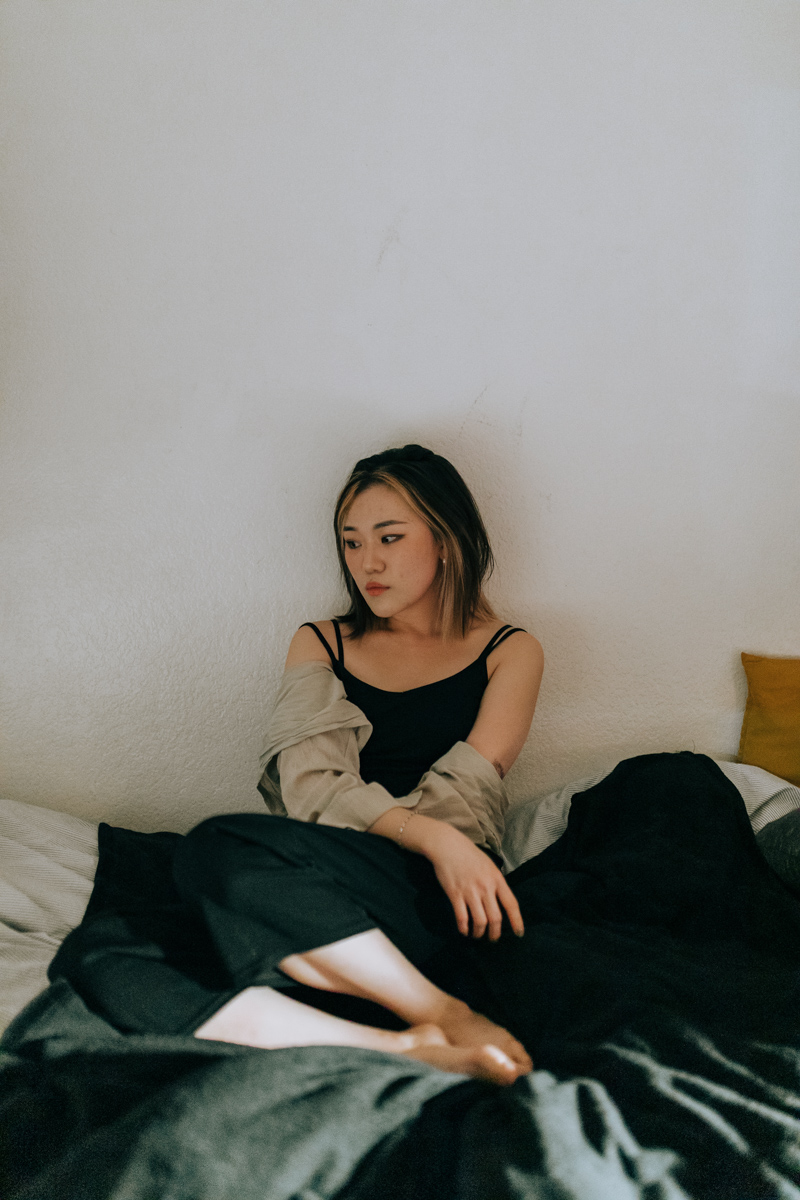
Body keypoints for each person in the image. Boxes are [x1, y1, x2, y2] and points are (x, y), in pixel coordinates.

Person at [51, 444, 544, 1087]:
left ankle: (447, 1010)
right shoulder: (323, 640)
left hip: (433, 889)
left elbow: (464, 801)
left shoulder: (510, 650)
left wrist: (439, 844)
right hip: (320, 885)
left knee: (216, 845)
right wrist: (428, 834)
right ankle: (400, 1046)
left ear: (447, 539)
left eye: (389, 537)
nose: (367, 562)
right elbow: (310, 789)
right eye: (352, 542)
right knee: (98, 952)